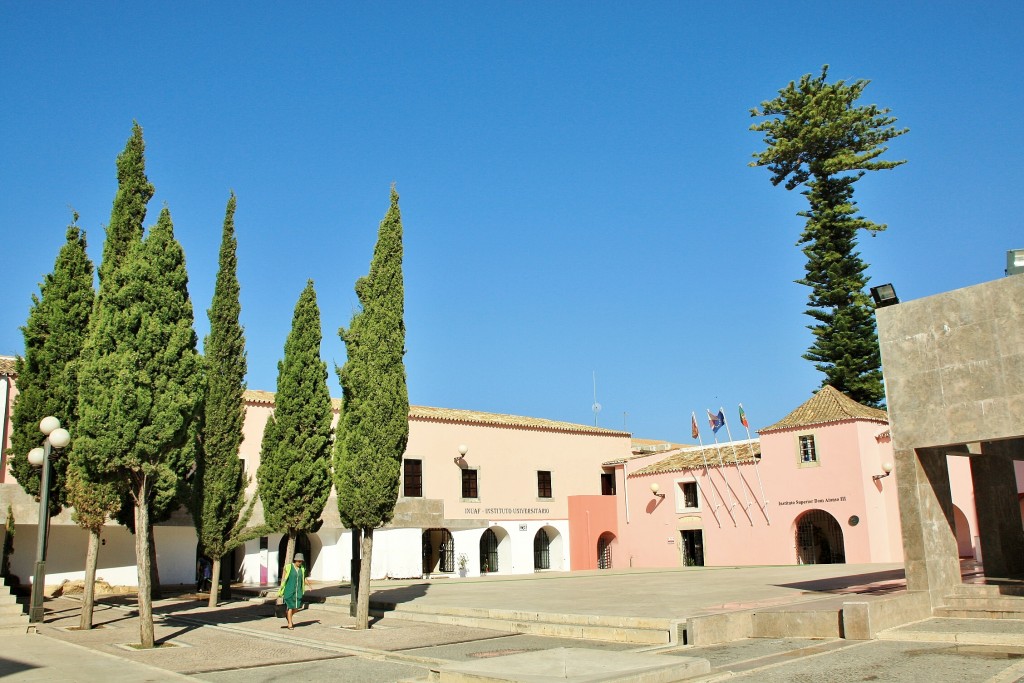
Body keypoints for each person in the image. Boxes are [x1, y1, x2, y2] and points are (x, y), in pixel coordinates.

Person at [277, 552, 306, 629]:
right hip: (289, 590)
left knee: (296, 608)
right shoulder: (289, 567)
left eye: (301, 561)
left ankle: (288, 615)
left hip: (298, 591)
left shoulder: (302, 569)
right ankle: (290, 623)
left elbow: (303, 578)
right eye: (299, 561)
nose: (300, 563)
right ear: (295, 560)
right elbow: (284, 578)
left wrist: (308, 586)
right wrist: (281, 588)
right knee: (290, 607)